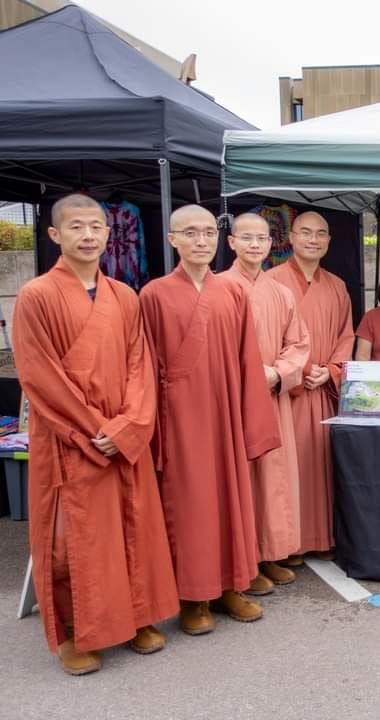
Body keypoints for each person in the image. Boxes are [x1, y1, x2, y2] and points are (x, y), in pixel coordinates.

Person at [11, 193, 178, 676]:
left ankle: (139, 617)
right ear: (54, 235)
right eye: (77, 227)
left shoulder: (125, 296)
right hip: (70, 437)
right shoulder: (36, 296)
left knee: (134, 528)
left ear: (110, 234)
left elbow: (140, 368)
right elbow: (39, 377)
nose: (88, 236)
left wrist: (127, 426)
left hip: (121, 436)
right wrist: (94, 429)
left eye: (96, 227)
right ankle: (72, 633)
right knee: (72, 542)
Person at [140, 205, 280, 636]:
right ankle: (192, 597)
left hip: (223, 411)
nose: (202, 241)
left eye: (208, 233)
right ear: (172, 240)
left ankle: (230, 586)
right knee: (190, 506)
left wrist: (248, 417)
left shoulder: (232, 292)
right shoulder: (153, 295)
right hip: (179, 416)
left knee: (229, 499)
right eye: (191, 233)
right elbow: (143, 365)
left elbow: (246, 359)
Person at [223, 213, 311, 594]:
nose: (255, 245)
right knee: (243, 479)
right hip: (234, 401)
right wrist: (245, 376)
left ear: (272, 243)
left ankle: (270, 554)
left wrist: (277, 373)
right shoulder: (220, 287)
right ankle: (244, 561)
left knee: (275, 477)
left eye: (262, 238)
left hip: (273, 396)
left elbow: (299, 343)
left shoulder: (280, 291)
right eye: (247, 238)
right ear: (231, 243)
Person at [266, 211, 354, 564]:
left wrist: (331, 369)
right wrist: (298, 371)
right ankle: (289, 541)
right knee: (290, 465)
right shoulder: (271, 282)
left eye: (321, 234)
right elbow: (264, 341)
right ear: (290, 237)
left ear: (329, 241)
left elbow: (347, 335)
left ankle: (322, 535)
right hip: (288, 392)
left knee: (323, 462)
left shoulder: (337, 285)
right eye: (305, 233)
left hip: (324, 390)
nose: (313, 240)